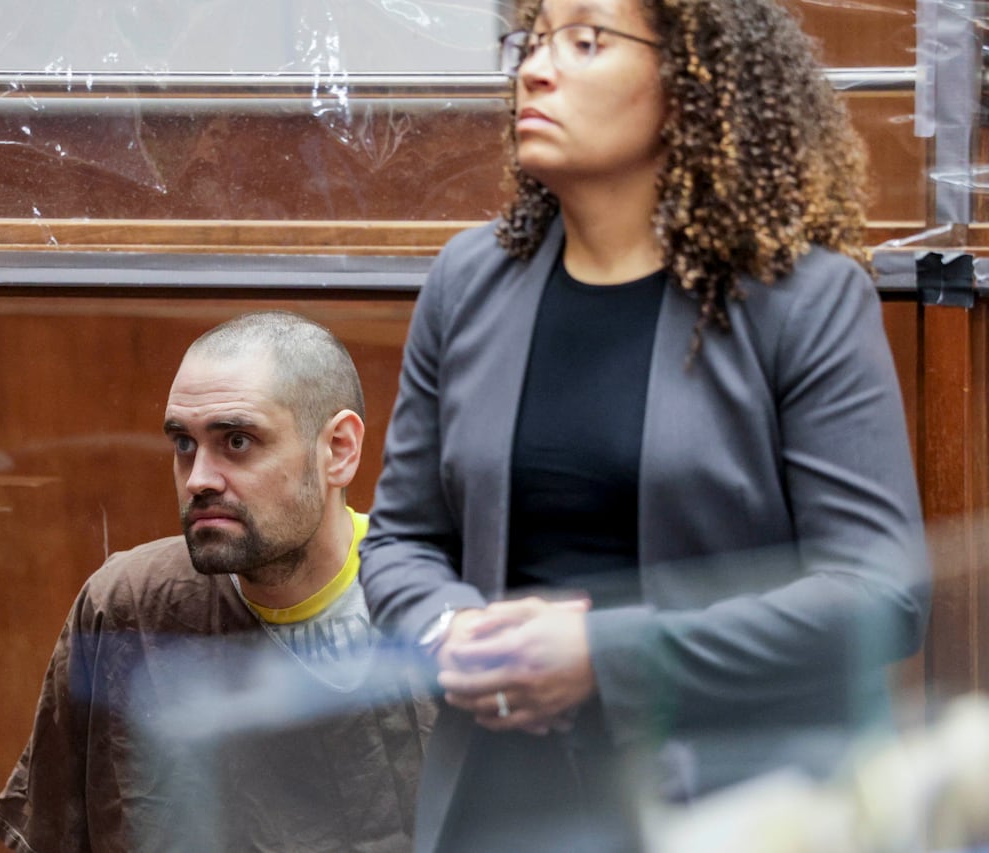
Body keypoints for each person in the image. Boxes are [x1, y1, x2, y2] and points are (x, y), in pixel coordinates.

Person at [358, 0, 931, 850]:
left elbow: (881, 595)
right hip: (499, 804)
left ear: (691, 83)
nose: (536, 69)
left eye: (585, 41)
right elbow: (400, 539)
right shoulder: (468, 280)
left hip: (733, 806)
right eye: (533, 39)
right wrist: (452, 629)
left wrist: (604, 654)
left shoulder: (804, 300)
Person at [0, 310, 435, 853]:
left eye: (238, 442)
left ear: (338, 450)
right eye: (183, 444)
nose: (198, 478)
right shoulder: (129, 605)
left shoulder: (449, 605)